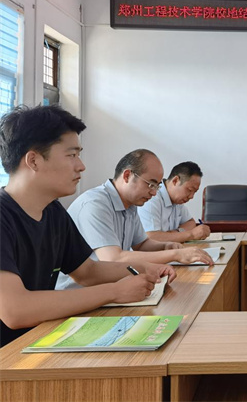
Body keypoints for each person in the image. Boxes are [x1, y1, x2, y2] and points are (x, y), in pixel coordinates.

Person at [0, 105, 175, 347]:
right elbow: (15, 311)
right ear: (34, 160)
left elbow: (87, 272)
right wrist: (114, 292)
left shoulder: (53, 212)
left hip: (38, 340)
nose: (81, 166)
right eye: (72, 155)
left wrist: (145, 269)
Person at [56, 149, 214, 290]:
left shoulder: (130, 205)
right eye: (151, 184)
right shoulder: (95, 204)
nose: (154, 193)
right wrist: (175, 255)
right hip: (78, 293)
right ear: (127, 176)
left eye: (157, 186)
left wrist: (166, 246)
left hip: (111, 287)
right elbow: (113, 258)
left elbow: (141, 244)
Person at [138, 161, 211, 243]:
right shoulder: (152, 199)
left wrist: (177, 232)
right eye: (190, 190)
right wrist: (191, 234)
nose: (191, 196)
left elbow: (190, 223)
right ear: (175, 181)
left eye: (195, 192)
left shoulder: (177, 201)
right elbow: (151, 237)